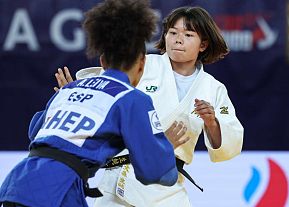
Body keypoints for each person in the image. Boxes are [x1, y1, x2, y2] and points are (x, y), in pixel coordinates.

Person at [55, 6, 244, 207]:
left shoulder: (213, 88)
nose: (177, 39)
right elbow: (107, 87)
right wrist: (76, 96)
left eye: (188, 34)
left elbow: (229, 148)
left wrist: (212, 122)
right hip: (119, 180)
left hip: (167, 188)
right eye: (172, 32)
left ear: (203, 45)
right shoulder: (143, 64)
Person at [0, 0, 180, 206]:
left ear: (102, 61)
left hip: (16, 185)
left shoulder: (71, 88)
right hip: (58, 192)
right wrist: (163, 147)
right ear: (142, 62)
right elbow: (155, 172)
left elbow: (34, 131)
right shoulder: (132, 98)